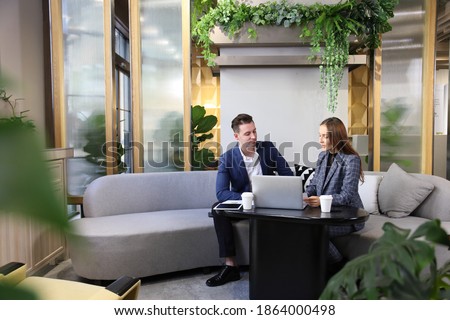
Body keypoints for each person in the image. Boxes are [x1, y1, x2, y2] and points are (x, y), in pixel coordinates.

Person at [206, 113, 293, 287]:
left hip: (269, 204)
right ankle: (231, 267)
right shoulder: (227, 158)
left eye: (254, 131)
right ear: (236, 136)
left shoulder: (268, 149)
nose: (253, 137)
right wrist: (248, 198)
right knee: (217, 209)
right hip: (245, 206)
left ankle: (280, 264)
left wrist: (274, 192)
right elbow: (221, 192)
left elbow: (288, 176)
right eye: (247, 134)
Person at [303, 117, 365, 276]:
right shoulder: (322, 157)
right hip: (325, 213)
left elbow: (347, 196)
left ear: (336, 136)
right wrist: (304, 194)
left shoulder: (352, 160)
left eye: (325, 136)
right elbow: (315, 184)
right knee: (299, 226)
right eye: (319, 135)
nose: (320, 140)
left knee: (313, 231)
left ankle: (340, 265)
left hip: (346, 215)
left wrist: (321, 200)